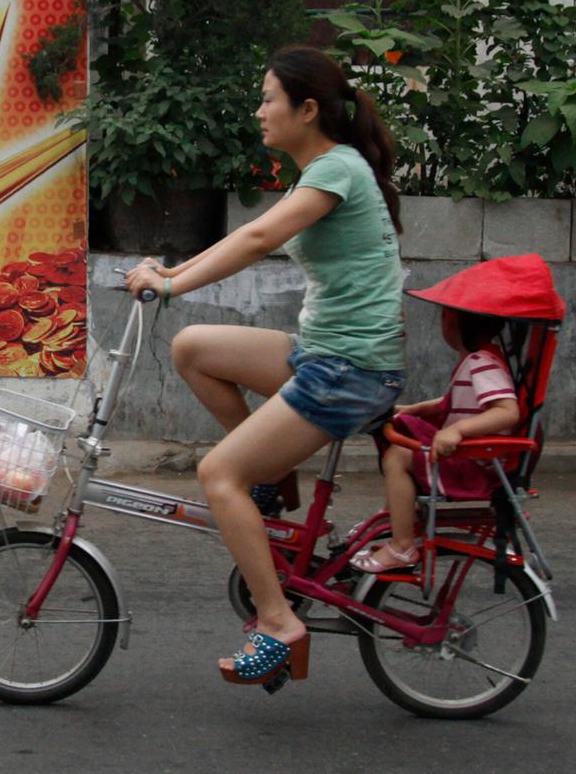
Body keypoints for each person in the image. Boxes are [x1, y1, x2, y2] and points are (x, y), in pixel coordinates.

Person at [123, 45, 404, 686]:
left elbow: (256, 240)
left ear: (307, 110)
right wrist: (173, 274)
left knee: (218, 475)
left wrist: (169, 286)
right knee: (193, 347)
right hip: (326, 357)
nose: (259, 112)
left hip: (348, 372)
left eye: (268, 99)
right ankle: (276, 484)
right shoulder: (332, 168)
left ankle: (278, 622)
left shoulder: (337, 171)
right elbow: (248, 235)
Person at [352, 305, 520, 574]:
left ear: (451, 322)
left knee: (398, 457)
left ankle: (402, 545)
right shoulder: (478, 360)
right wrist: (414, 410)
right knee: (400, 436)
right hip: (470, 458)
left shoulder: (482, 363)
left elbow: (507, 411)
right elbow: (449, 402)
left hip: (474, 466)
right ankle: (394, 515)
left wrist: (458, 430)